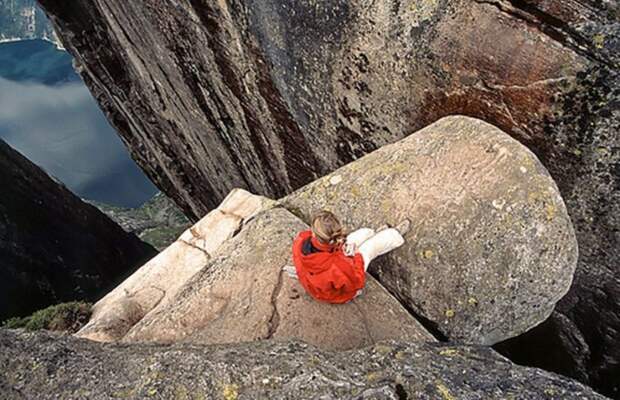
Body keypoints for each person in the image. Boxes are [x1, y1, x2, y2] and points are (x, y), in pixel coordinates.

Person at [287, 210, 409, 304]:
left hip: (320, 274)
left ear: (314, 232)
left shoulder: (301, 239)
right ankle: (394, 235)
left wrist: (341, 250)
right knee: (368, 249)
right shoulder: (338, 266)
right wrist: (356, 257)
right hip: (334, 293)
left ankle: (375, 233)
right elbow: (356, 282)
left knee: (362, 234)